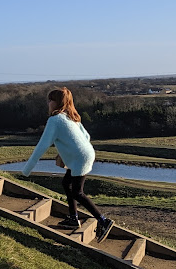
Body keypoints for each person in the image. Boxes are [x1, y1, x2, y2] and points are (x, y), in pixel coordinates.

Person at [22, 87, 114, 242]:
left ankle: (103, 221)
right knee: (66, 183)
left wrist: (27, 169)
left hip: (80, 158)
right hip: (86, 154)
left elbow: (43, 145)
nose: (48, 103)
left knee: (78, 192)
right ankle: (73, 218)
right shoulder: (70, 116)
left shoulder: (55, 120)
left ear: (57, 103)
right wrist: (70, 152)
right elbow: (86, 135)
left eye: (51, 100)